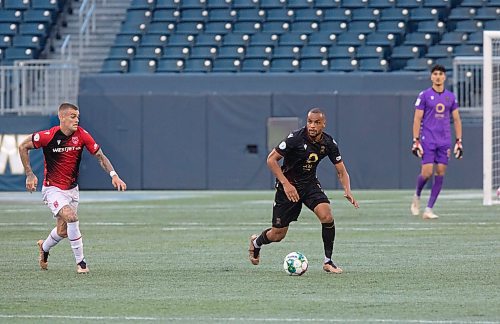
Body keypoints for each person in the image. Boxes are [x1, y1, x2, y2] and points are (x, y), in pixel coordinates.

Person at [18, 102, 127, 274]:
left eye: (78, 116)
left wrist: (114, 175)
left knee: (62, 231)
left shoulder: (82, 135)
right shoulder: (48, 136)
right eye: (73, 116)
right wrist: (30, 174)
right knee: (71, 217)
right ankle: (81, 263)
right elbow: (23, 146)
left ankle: (44, 248)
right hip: (52, 188)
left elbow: (100, 155)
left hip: (72, 190)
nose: (77, 120)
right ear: (61, 117)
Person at [248, 108, 359, 274]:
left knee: (327, 216)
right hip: (288, 187)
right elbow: (271, 160)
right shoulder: (295, 138)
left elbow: (341, 170)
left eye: (316, 122)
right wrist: (286, 184)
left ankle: (328, 261)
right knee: (278, 235)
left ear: (324, 124)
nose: (312, 126)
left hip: (309, 185)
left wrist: (347, 190)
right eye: (309, 122)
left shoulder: (328, 143)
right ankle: (257, 242)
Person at [410, 64, 463, 219]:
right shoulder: (424, 95)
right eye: (435, 74)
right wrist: (416, 140)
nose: (438, 76)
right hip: (428, 139)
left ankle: (429, 209)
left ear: (444, 77)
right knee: (427, 172)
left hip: (444, 140)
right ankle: (417, 196)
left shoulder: (451, 97)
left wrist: (459, 141)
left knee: (440, 172)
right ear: (431, 77)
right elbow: (417, 118)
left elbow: (457, 119)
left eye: (440, 74)